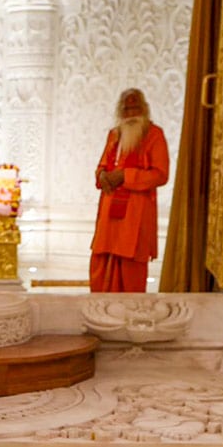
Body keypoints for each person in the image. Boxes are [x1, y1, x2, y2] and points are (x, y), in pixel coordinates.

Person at [90, 88, 169, 293]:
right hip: (109, 215)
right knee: (101, 261)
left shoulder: (154, 135)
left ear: (144, 110)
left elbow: (160, 174)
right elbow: (101, 166)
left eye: (136, 108)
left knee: (130, 266)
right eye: (127, 109)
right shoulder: (114, 135)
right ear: (120, 112)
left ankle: (130, 315)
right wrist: (101, 176)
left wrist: (126, 176)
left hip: (135, 215)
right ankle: (99, 311)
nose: (131, 114)